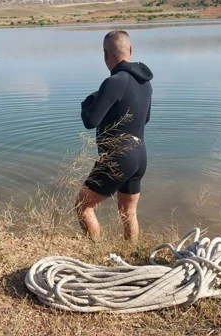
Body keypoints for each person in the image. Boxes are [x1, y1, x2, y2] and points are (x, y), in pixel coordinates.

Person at [75, 30, 153, 241]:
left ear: (105, 55)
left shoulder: (114, 82)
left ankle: (96, 252)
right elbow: (144, 119)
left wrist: (87, 103)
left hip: (119, 156)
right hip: (140, 154)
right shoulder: (145, 83)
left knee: (83, 206)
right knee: (128, 212)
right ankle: (132, 255)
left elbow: (90, 121)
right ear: (130, 50)